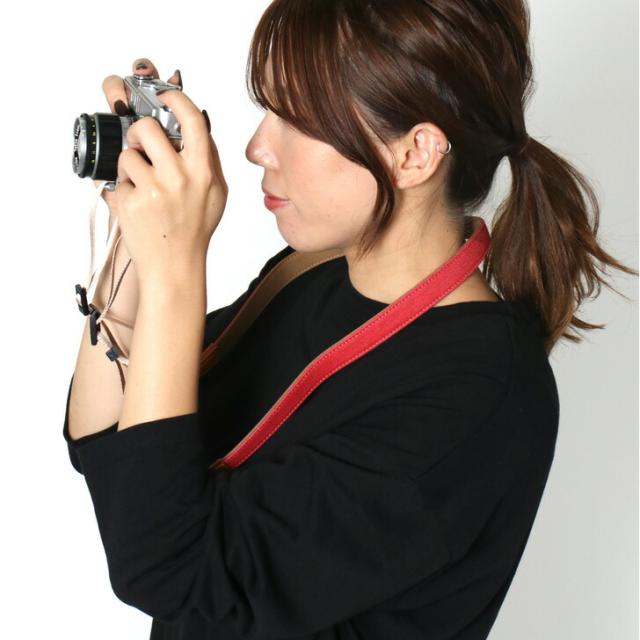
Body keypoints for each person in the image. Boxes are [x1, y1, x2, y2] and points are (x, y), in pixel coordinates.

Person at [62, 1, 637, 639]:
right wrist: (135, 232)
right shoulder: (312, 274)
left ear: (415, 154)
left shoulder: (482, 391)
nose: (256, 148)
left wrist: (175, 267)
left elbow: (169, 568)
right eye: (267, 110)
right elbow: (114, 448)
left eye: (298, 120)